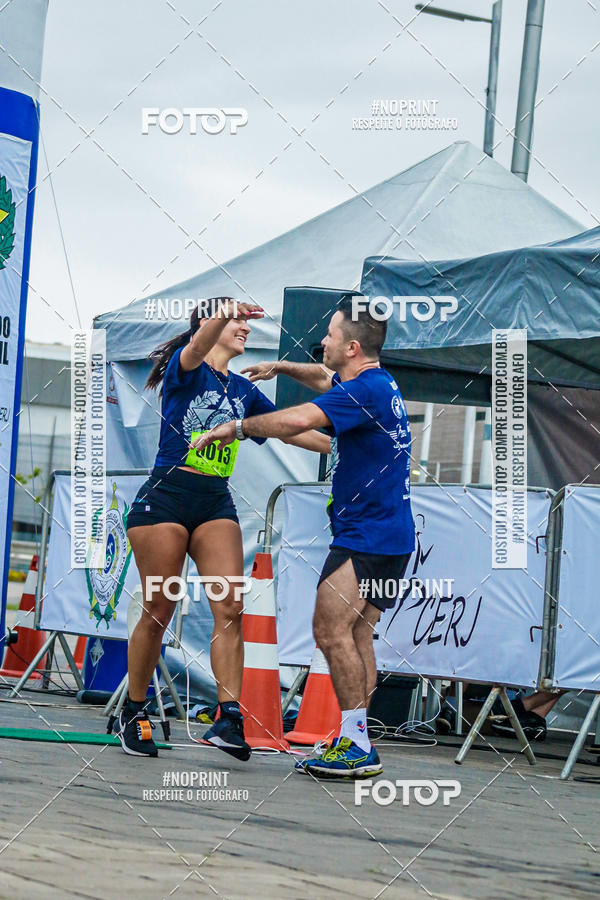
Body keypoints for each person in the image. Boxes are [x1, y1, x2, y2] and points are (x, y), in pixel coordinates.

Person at [194, 296, 415, 779]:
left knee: (330, 630)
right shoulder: (375, 382)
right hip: (388, 534)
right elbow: (321, 378)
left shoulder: (362, 393)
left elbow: (298, 421)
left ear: (353, 346)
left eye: (331, 336)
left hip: (368, 536)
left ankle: (356, 744)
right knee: (357, 634)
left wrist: (236, 427)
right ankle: (355, 736)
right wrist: (280, 367)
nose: (324, 343)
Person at [118, 298, 330, 759]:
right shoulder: (185, 368)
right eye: (235, 322)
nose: (244, 329)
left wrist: (347, 439)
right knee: (159, 609)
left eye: (243, 322)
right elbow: (197, 344)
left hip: (214, 500)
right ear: (210, 325)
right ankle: (133, 712)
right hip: (166, 500)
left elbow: (292, 430)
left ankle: (228, 717)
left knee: (230, 607)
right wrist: (225, 307)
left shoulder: (242, 389)